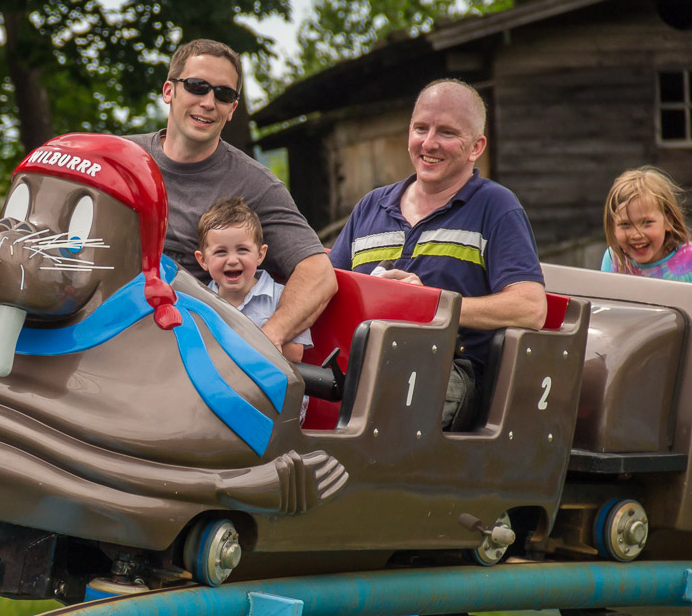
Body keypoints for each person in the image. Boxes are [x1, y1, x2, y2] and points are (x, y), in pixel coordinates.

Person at [329, 79, 547, 431]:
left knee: (391, 408)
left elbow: (531, 308)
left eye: (446, 132)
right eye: (420, 128)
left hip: (446, 371)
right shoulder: (370, 206)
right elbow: (327, 286)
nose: (429, 143)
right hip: (357, 365)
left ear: (476, 147)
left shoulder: (496, 207)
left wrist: (432, 304)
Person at [127, 38, 336, 355]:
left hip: (181, 346)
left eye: (223, 94)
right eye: (197, 87)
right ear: (169, 91)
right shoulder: (119, 158)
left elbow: (319, 274)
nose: (209, 102)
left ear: (232, 109)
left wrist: (263, 342)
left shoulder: (257, 185)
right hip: (105, 326)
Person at [196, 197, 312, 422]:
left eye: (242, 250)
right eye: (221, 252)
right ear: (203, 260)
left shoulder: (281, 297)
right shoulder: (200, 300)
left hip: (275, 402)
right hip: (220, 399)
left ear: (260, 254)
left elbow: (295, 353)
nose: (232, 260)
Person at [601, 166, 692, 282]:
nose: (636, 234)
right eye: (625, 224)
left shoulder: (689, 258)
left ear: (668, 221)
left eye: (647, 223)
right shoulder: (614, 259)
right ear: (613, 227)